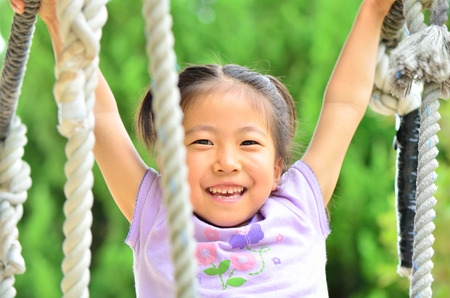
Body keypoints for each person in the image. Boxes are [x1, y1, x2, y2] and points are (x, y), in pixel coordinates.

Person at [11, 0, 397, 296]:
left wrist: (374, 9)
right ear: (167, 160)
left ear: (278, 166)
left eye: (248, 142)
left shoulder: (298, 204)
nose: (226, 162)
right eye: (201, 142)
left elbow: (343, 107)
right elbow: (102, 119)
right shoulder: (158, 210)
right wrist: (57, 17)